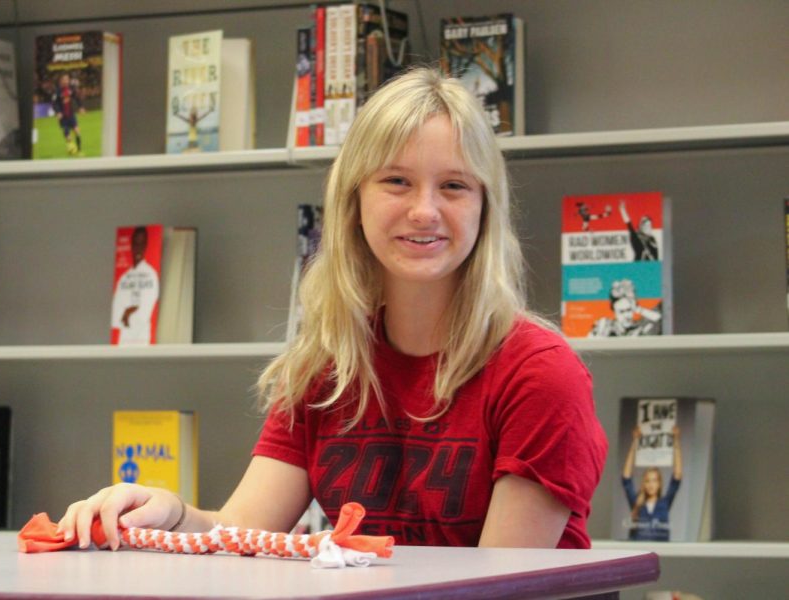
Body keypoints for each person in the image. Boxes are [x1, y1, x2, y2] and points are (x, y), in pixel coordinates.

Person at [58, 67, 607, 550]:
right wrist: (167, 513)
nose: (424, 211)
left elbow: (498, 589)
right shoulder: (328, 365)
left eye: (455, 186)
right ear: (354, 201)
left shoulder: (540, 374)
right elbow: (238, 532)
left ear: (486, 207)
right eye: (396, 181)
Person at [621, 426, 682, 541]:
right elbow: (626, 477)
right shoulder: (637, 502)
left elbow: (677, 477)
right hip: (638, 554)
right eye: (648, 480)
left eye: (654, 480)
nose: (651, 484)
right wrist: (634, 441)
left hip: (661, 554)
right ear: (644, 483)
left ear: (659, 483)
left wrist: (676, 440)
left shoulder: (665, 502)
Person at [110, 227, 160, 345]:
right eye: (136, 244)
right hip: (124, 340)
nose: (138, 248)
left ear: (146, 245)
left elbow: (144, 312)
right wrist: (126, 313)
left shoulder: (151, 275)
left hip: (142, 339)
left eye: (142, 244)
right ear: (131, 245)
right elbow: (116, 313)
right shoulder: (124, 278)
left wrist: (127, 313)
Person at [589, 279, 662, 337]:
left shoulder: (639, 329)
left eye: (629, 310)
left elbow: (658, 318)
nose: (626, 315)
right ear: (614, 312)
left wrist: (638, 308)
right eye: (621, 312)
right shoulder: (605, 325)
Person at [52, 73, 85, 156]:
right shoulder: (57, 91)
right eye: (65, 79)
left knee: (77, 132)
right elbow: (54, 103)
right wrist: (58, 112)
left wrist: (80, 107)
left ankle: (79, 150)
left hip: (71, 115)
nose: (67, 81)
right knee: (68, 136)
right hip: (63, 117)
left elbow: (77, 98)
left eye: (68, 79)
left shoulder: (71, 89)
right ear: (61, 81)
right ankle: (71, 148)